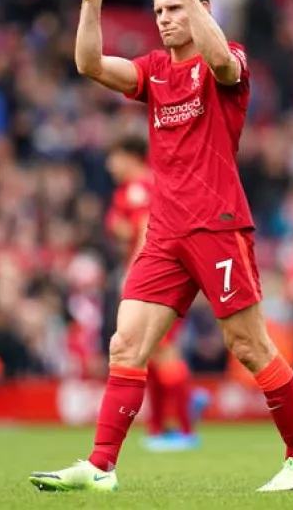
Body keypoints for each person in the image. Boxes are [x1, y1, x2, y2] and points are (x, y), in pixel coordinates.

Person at [29, 0, 293, 492]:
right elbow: (90, 65)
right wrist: (91, 3)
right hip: (164, 233)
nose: (163, 18)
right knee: (125, 346)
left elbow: (221, 62)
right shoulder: (155, 71)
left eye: (174, 7)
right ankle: (100, 466)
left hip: (216, 225)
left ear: (199, 8)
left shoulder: (228, 59)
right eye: (159, 8)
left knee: (249, 346)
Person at [105, 135, 208, 452]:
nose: (110, 165)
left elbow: (146, 229)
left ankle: (185, 421)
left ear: (129, 156)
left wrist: (136, 271)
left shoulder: (138, 188)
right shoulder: (142, 187)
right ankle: (162, 427)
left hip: (156, 278)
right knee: (149, 353)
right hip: (167, 274)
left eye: (114, 156)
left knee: (161, 351)